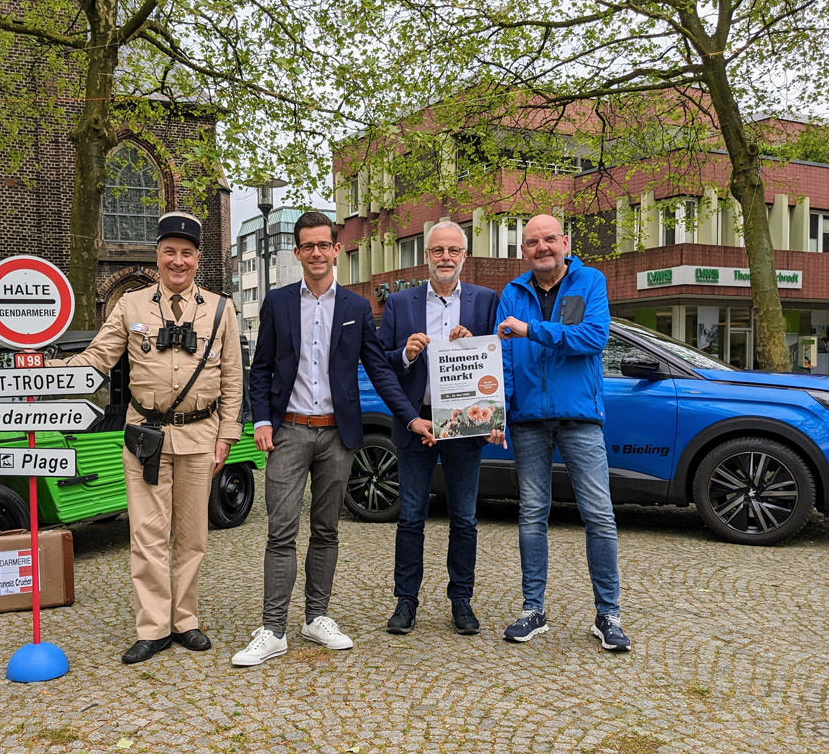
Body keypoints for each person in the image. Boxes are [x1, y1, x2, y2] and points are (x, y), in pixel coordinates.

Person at [232, 211, 435, 667]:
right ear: (298, 252)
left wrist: (409, 419)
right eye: (308, 246)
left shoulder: (356, 308)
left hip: (338, 437)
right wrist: (260, 421)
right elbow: (260, 369)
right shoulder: (277, 302)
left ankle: (316, 617)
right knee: (280, 531)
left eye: (324, 244)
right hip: (288, 431)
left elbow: (381, 370)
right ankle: (273, 628)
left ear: (336, 249)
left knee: (327, 530)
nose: (317, 253)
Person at [54, 211, 243, 664]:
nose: (178, 262)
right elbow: (99, 357)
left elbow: (233, 377)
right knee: (147, 534)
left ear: (198, 259)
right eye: (169, 253)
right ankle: (153, 627)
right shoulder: (132, 306)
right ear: (157, 256)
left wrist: (228, 435)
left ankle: (185, 620)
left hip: (200, 435)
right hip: (146, 436)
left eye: (186, 254)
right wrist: (47, 373)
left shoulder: (220, 309)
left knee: (192, 536)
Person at [495, 214, 631, 652]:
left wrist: (531, 329)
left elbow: (593, 338)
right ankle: (532, 609)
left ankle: (607, 614)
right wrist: (500, 415)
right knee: (532, 514)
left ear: (565, 242)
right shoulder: (512, 294)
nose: (542, 248)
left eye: (549, 239)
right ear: (523, 252)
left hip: (579, 417)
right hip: (528, 420)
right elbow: (505, 360)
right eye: (532, 242)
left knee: (599, 515)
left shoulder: (590, 282)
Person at [376, 220, 502, 636]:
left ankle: (461, 601)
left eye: (452, 250)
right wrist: (407, 353)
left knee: (464, 518)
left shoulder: (486, 301)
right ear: (426, 256)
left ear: (464, 256)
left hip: (465, 425)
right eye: (437, 251)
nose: (445, 257)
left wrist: (474, 340)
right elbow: (382, 363)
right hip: (418, 422)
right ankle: (405, 601)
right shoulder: (400, 303)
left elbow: (497, 358)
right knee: (411, 516)